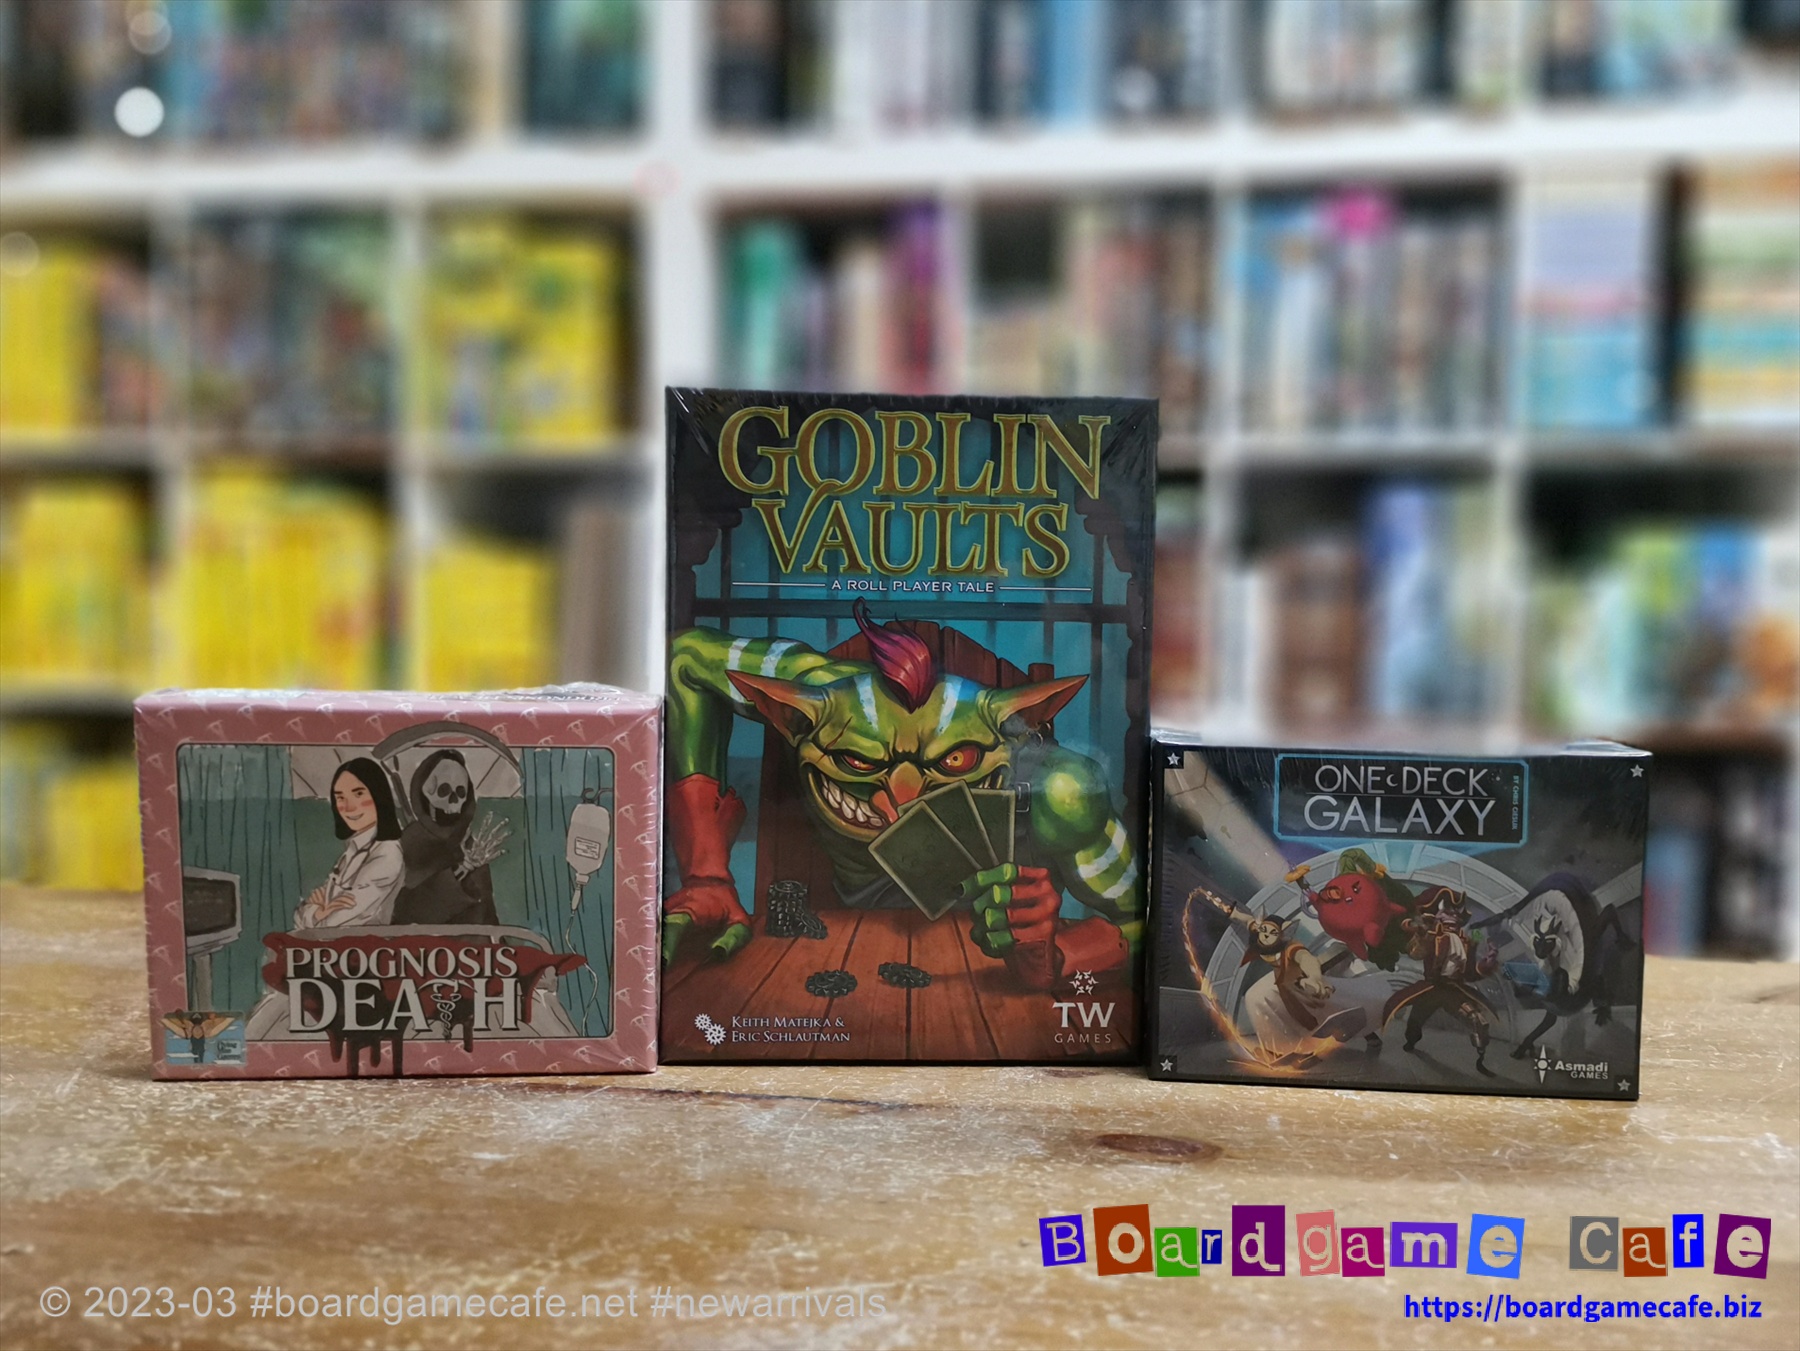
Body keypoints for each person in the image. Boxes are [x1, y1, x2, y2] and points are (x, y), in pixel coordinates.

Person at [294, 758, 404, 929]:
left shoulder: (387, 853)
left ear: (378, 794)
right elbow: (300, 918)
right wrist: (317, 911)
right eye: (340, 797)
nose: (349, 807)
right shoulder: (352, 850)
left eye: (358, 794)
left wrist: (317, 912)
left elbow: (333, 923)